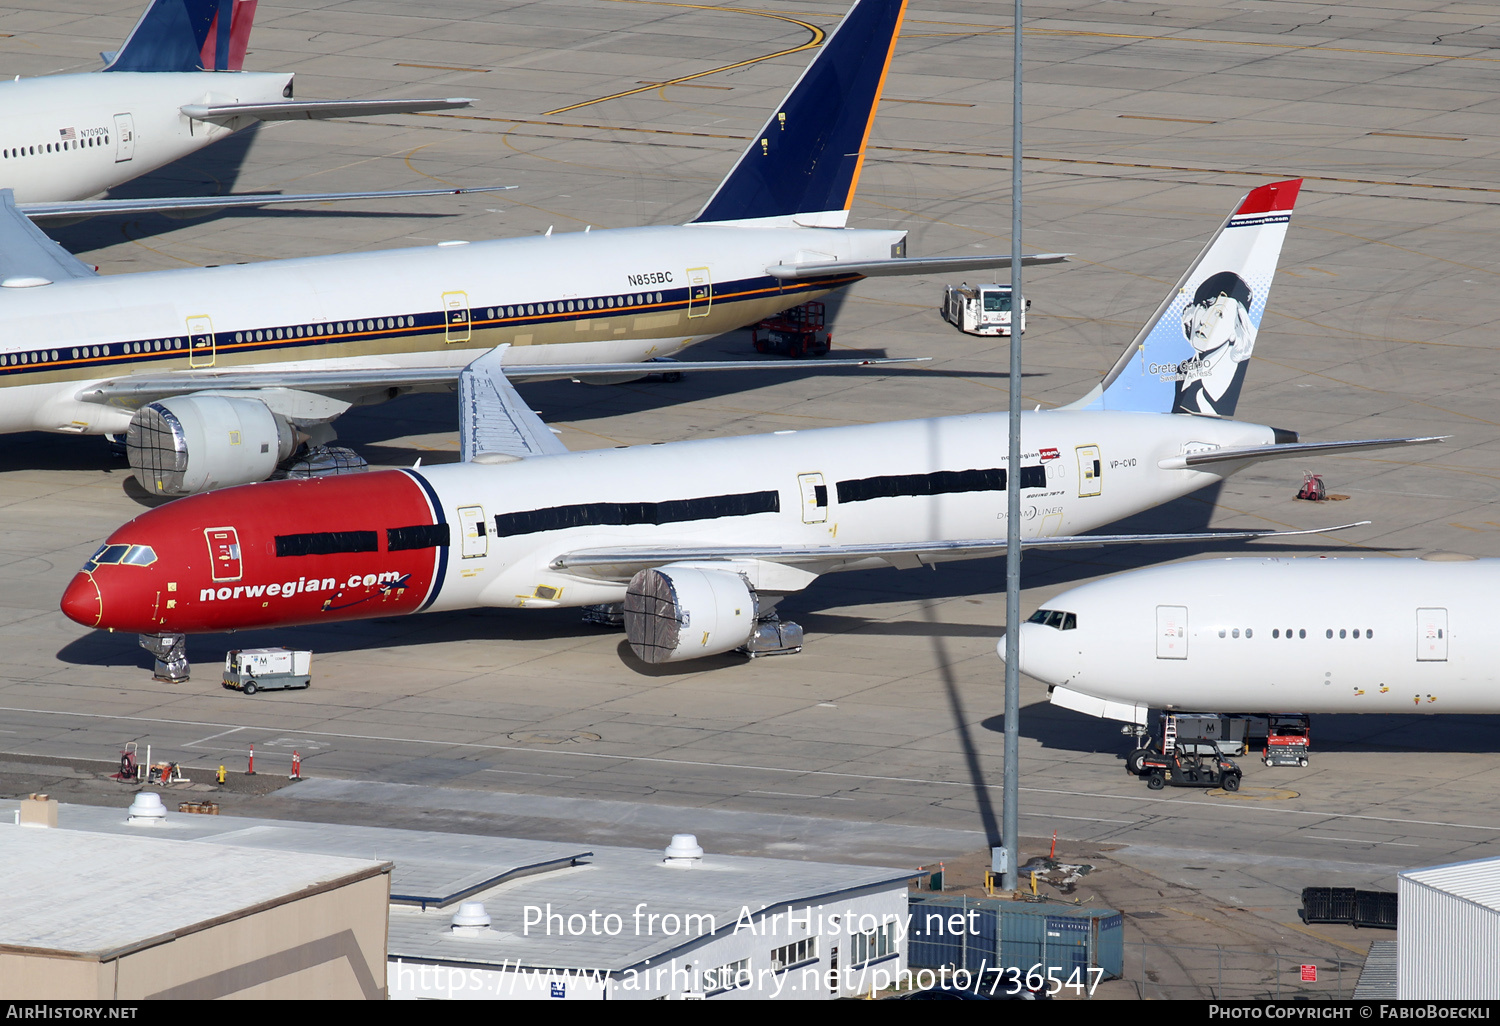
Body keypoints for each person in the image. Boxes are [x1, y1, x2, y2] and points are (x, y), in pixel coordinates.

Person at [1172, 270, 1257, 415]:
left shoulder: (1234, 381)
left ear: (1236, 329)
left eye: (1219, 314)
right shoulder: (1181, 371)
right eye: (1204, 306)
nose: (1206, 321)